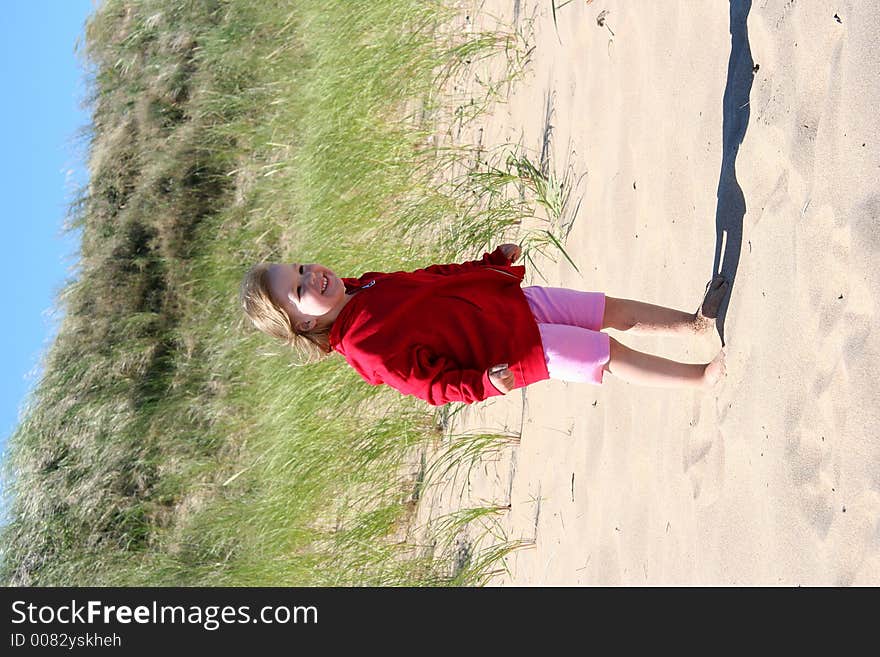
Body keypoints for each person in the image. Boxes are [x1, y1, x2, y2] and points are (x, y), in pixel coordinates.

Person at [239, 244, 728, 406]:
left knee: (609, 309)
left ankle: (693, 324)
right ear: (302, 324)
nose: (313, 277)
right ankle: (699, 378)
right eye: (300, 290)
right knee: (606, 353)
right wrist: (482, 384)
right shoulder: (365, 348)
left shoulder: (362, 286)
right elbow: (431, 386)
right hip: (516, 345)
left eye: (302, 269)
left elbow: (434, 278)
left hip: (510, 301)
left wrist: (491, 261)